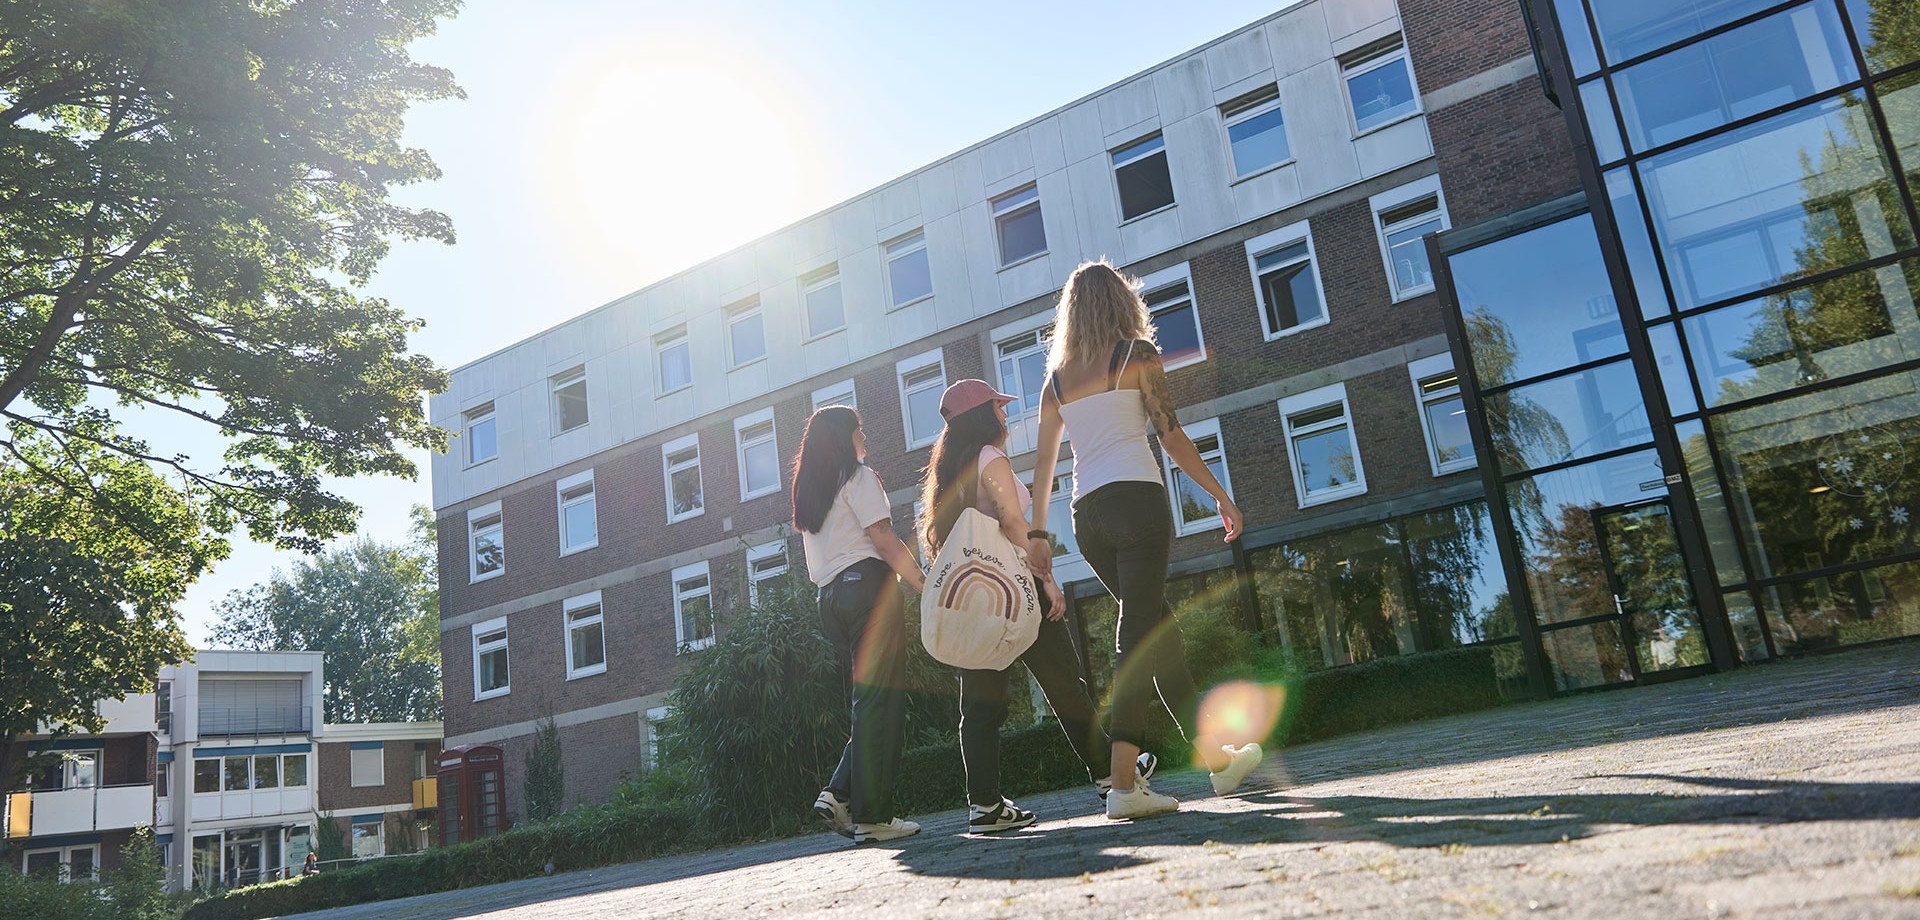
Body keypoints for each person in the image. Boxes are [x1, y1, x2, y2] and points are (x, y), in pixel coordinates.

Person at [1028, 260, 1265, 820]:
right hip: (1137, 504)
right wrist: (1221, 496)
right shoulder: (1137, 355)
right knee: (1137, 637)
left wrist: (1039, 533)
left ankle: (1217, 762)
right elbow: (1172, 436)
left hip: (1088, 518)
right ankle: (1123, 785)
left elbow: (1043, 466)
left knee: (1160, 635)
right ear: (1122, 302)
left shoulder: (1056, 382)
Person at [916, 379, 1156, 834]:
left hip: (977, 599)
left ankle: (984, 804)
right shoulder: (990, 458)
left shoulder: (950, 474)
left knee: (981, 706)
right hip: (1016, 588)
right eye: (998, 408)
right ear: (982, 415)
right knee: (1064, 683)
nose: (1005, 415)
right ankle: (1110, 774)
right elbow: (1011, 520)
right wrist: (1046, 579)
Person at [793, 405, 926, 844]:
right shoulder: (859, 477)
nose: (864, 437)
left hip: (830, 600)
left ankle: (840, 791)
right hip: (867, 590)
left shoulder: (812, 491)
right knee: (881, 704)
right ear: (844, 438)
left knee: (868, 702)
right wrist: (922, 582)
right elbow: (884, 539)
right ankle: (873, 817)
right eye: (859, 430)